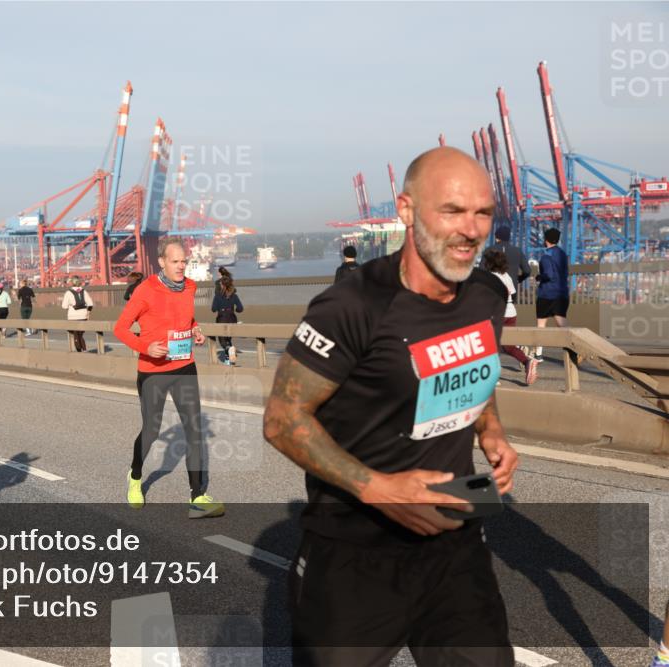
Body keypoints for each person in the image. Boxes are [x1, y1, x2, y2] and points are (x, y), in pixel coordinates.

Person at [263, 147, 518, 666]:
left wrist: (491, 429)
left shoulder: (487, 295)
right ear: (406, 210)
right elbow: (282, 420)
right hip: (354, 555)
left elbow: (476, 366)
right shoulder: (352, 306)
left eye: (483, 213)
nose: (471, 230)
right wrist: (379, 490)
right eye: (451, 211)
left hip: (455, 541)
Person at [114, 238, 224, 519]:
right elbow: (121, 328)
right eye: (175, 261)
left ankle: (197, 497)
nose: (181, 266)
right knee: (151, 429)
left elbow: (186, 319)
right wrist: (145, 347)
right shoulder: (146, 290)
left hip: (184, 366)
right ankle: (135, 476)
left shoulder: (189, 286)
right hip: (153, 371)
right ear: (161, 262)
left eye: (183, 261)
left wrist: (196, 329)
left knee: (194, 429)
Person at [483, 248, 539, 385]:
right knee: (508, 345)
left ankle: (493, 376)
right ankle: (527, 362)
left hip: (497, 313)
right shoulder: (506, 275)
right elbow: (512, 294)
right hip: (511, 312)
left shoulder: (490, 277)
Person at [534, 227, 569, 360]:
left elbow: (548, 274)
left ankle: (538, 354)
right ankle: (573, 349)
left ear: (546, 240)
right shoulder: (562, 254)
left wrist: (539, 277)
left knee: (541, 325)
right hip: (562, 294)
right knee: (562, 323)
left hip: (546, 294)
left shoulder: (546, 256)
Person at [480, 225, 530, 291]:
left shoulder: (489, 250)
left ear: (496, 237)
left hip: (493, 288)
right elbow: (527, 271)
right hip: (511, 288)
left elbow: (482, 270)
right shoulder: (517, 251)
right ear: (508, 238)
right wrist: (519, 279)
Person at [210, 275, 244, 365]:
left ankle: (229, 349)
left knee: (223, 341)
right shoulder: (234, 295)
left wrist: (219, 307)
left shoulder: (217, 296)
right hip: (232, 318)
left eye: (221, 284)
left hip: (222, 318)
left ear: (223, 285)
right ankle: (228, 360)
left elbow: (213, 309)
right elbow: (240, 308)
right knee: (228, 339)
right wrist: (235, 310)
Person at [61, 277, 94, 352]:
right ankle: (84, 349)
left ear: (72, 283)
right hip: (83, 316)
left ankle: (79, 351)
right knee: (80, 334)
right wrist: (88, 313)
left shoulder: (68, 292)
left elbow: (64, 306)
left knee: (76, 334)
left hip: (73, 316)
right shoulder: (84, 291)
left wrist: (70, 305)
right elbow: (90, 304)